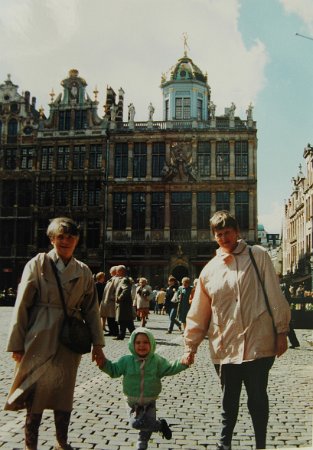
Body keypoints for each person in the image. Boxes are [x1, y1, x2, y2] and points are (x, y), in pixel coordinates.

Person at [183, 210, 291, 450]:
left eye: (227, 232)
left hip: (258, 344)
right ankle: (225, 445)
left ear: (237, 232)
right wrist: (191, 346)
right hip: (225, 345)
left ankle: (260, 444)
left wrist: (281, 331)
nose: (224, 238)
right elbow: (200, 311)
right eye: (219, 234)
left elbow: (274, 293)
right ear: (214, 237)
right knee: (228, 403)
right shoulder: (209, 270)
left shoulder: (258, 255)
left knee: (257, 400)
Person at [4, 217, 105, 450]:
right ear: (52, 239)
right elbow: (22, 305)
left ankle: (62, 442)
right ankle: (31, 445)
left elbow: (91, 310)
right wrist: (17, 344)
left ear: (77, 241)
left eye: (70, 237)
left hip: (70, 339)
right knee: (36, 392)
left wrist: (98, 345)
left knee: (64, 390)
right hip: (40, 334)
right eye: (60, 237)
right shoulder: (37, 264)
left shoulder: (84, 270)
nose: (65, 241)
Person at [97, 327, 189, 450]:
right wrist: (103, 364)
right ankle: (160, 425)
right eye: (138, 342)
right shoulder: (126, 361)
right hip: (132, 402)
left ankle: (142, 443)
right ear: (132, 344)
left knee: (146, 425)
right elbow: (114, 371)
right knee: (135, 423)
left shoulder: (156, 361)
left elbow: (170, 368)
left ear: (151, 343)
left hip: (150, 401)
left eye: (146, 342)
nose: (142, 345)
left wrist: (183, 363)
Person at [114, 265, 136, 340]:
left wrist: (119, 298)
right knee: (123, 320)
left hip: (124, 304)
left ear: (121, 271)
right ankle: (121, 335)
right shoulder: (124, 279)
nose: (116, 272)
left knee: (128, 321)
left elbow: (126, 289)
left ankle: (136, 336)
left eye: (117, 271)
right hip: (125, 304)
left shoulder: (124, 280)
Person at [100, 266, 119, 337]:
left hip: (111, 302)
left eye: (111, 271)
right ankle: (111, 331)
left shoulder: (116, 279)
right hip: (107, 301)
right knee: (109, 317)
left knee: (112, 317)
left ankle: (115, 331)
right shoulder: (111, 279)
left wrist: (112, 297)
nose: (110, 272)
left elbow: (117, 290)